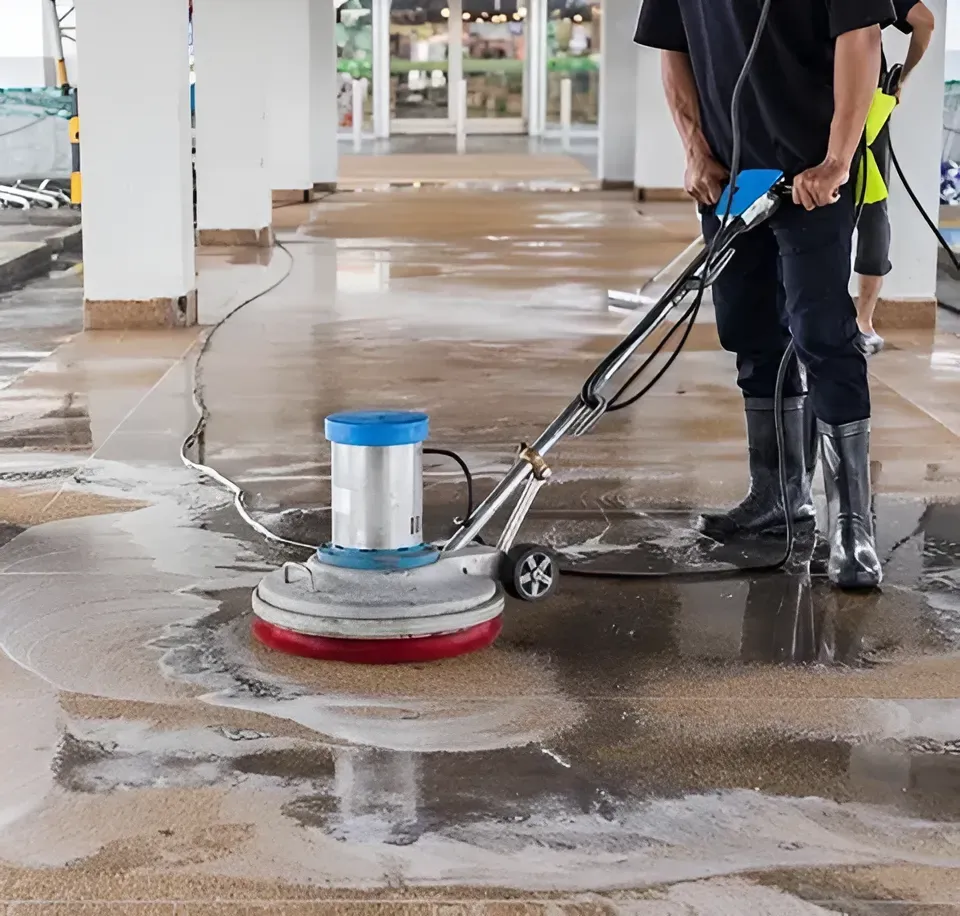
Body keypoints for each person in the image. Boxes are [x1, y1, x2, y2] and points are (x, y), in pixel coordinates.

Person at [634, 0, 896, 590]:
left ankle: (852, 526)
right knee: (749, 330)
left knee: (822, 334)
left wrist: (837, 159)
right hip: (730, 176)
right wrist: (695, 151)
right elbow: (672, 46)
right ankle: (778, 496)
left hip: (813, 177)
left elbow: (861, 38)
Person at [855, 0, 936, 356]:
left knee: (809, 214)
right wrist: (900, 79)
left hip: (813, 109)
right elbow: (924, 22)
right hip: (866, 106)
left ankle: (809, 324)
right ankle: (862, 324)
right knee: (872, 212)